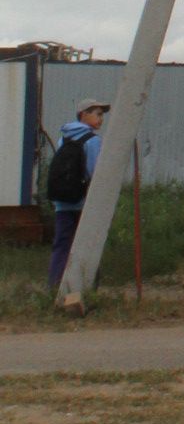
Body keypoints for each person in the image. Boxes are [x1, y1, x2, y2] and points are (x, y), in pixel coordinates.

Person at [45, 100, 107, 293]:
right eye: (97, 114)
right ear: (83, 114)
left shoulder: (64, 137)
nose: (101, 119)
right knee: (88, 245)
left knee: (61, 245)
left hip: (62, 202)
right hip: (82, 203)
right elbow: (94, 173)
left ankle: (54, 286)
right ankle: (88, 288)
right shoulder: (93, 141)